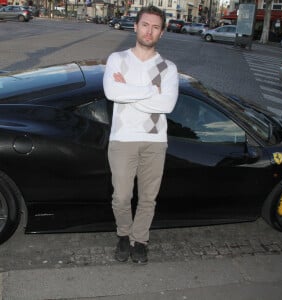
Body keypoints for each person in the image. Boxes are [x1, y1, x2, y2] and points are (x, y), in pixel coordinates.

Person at [103, 5, 179, 264]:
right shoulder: (117, 59)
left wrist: (130, 90)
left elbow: (167, 105)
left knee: (148, 197)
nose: (149, 31)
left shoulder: (169, 68)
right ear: (135, 26)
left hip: (155, 140)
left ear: (162, 33)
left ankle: (140, 240)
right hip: (122, 138)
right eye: (145, 25)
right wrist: (150, 90)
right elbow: (113, 93)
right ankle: (123, 235)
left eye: (156, 27)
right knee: (121, 196)